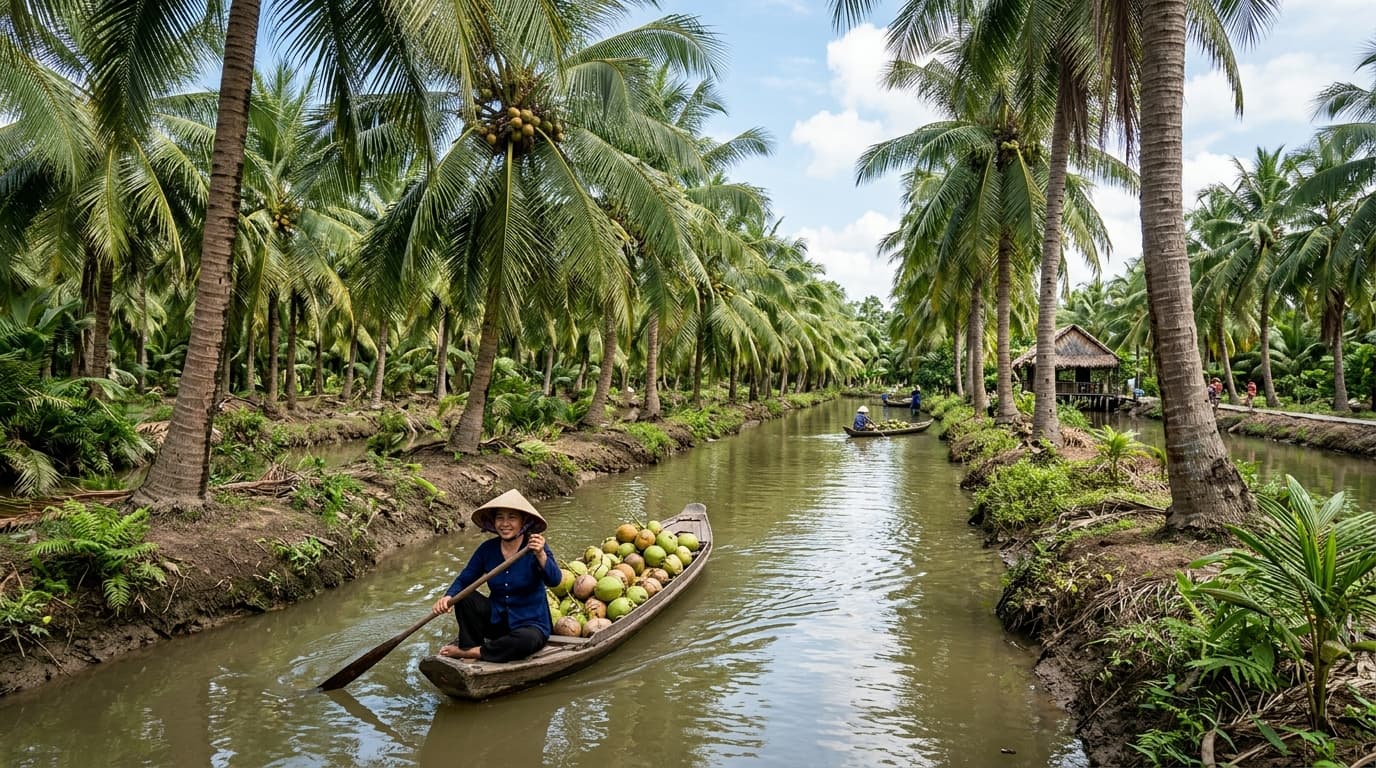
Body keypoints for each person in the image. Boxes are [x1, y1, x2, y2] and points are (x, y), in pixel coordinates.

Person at [430, 489, 562, 663]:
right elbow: (465, 579)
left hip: (530, 625)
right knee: (464, 596)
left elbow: (555, 580)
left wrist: (541, 555)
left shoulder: (535, 548)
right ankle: (469, 645)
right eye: (500, 517)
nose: (505, 523)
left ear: (523, 522)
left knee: (526, 640)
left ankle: (473, 653)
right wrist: (448, 597)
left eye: (512, 518)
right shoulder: (487, 549)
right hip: (497, 622)